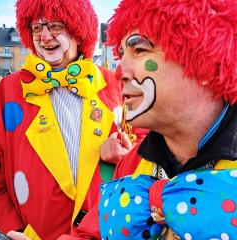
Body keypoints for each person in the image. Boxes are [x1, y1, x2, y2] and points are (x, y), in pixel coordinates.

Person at [54, 0, 237, 239]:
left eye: (139, 50)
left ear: (206, 61)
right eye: (121, 54)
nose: (119, 71)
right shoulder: (130, 164)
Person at [0, 0, 147, 239]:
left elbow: (148, 147)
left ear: (79, 30)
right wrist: (12, 227)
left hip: (104, 229)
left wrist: (127, 155)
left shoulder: (116, 84)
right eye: (37, 28)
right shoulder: (8, 91)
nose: (45, 36)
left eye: (55, 26)